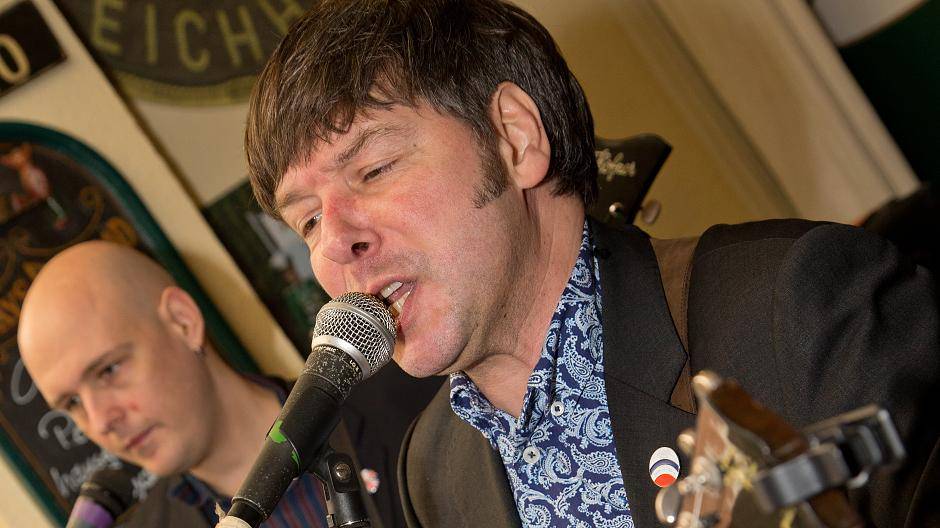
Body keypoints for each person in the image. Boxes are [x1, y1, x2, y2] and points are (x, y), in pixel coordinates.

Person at [243, 1, 940, 526]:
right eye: (307, 220)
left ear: (515, 140)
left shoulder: (801, 304)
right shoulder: (431, 471)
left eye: (373, 168)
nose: (334, 243)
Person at [17, 241, 384, 527]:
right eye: (72, 404)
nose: (100, 422)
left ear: (183, 322)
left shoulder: (394, 405)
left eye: (108, 370)